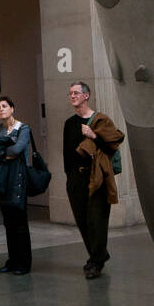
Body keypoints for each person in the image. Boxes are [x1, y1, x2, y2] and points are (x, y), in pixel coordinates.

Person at [63, 81, 126, 279]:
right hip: (76, 178)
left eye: (76, 93)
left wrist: (94, 136)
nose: (72, 96)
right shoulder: (69, 123)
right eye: (70, 93)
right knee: (82, 220)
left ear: (86, 96)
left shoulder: (100, 120)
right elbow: (66, 154)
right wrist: (70, 177)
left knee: (97, 220)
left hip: (97, 177)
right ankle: (98, 255)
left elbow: (112, 147)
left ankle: (95, 262)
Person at [0, 96, 33, 275]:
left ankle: (23, 263)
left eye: (4, 106)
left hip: (18, 179)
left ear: (12, 108)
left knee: (20, 222)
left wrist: (1, 152)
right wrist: (5, 154)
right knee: (8, 223)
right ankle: (12, 261)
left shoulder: (23, 128)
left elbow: (18, 149)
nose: (1, 110)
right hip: (3, 180)